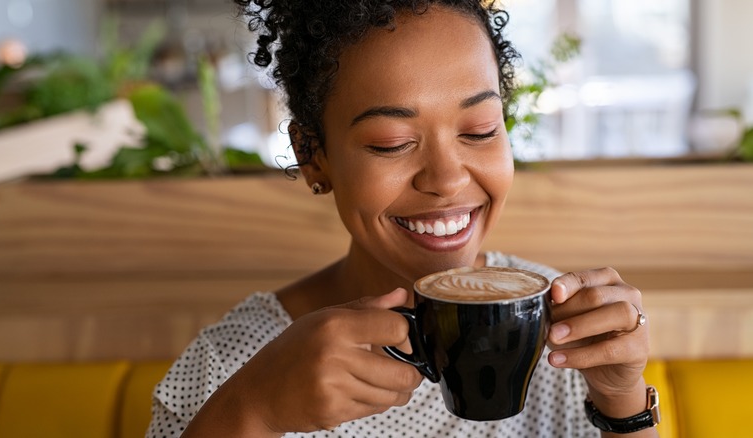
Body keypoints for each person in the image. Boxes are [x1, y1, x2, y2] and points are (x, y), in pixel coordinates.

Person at [147, 1, 655, 437]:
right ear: (313, 156)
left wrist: (622, 399)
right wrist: (253, 410)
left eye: (479, 131)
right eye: (392, 143)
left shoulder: (563, 334)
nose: (447, 178)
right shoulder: (228, 366)